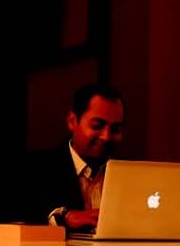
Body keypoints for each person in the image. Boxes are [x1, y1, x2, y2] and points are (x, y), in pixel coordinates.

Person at [18, 83, 125, 232]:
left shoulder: (127, 175)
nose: (106, 136)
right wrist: (65, 217)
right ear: (72, 121)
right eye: (97, 126)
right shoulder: (36, 168)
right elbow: (17, 217)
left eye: (115, 129)